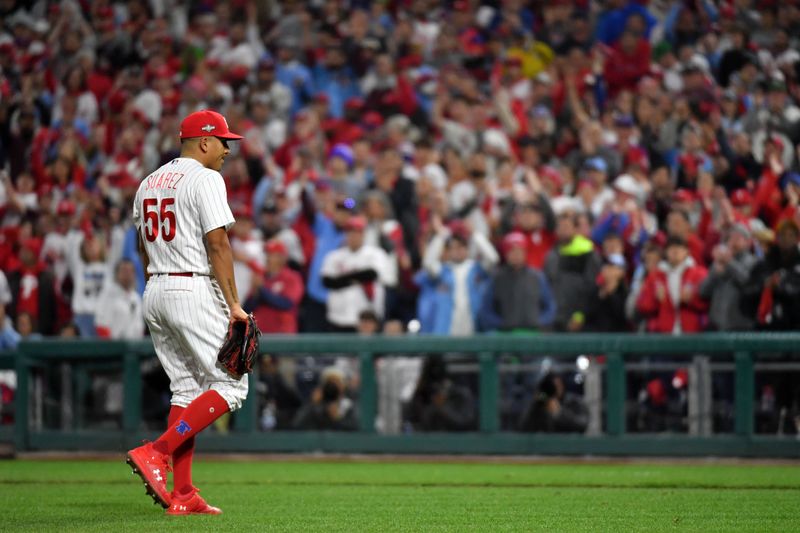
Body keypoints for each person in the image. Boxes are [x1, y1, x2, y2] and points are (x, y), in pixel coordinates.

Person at [126, 109, 249, 516]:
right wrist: (233, 304)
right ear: (204, 142)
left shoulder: (147, 183)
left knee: (186, 390)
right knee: (231, 386)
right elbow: (218, 244)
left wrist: (158, 288)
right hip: (192, 284)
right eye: (223, 142)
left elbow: (143, 247)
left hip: (156, 287)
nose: (228, 150)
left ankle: (183, 494)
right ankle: (157, 451)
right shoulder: (206, 178)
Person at [320, 215, 395, 332]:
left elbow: (372, 274)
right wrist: (358, 277)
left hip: (368, 319)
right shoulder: (334, 256)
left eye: (357, 232)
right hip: (338, 318)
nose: (353, 236)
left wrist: (342, 279)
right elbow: (328, 282)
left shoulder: (375, 254)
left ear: (363, 234)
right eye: (350, 232)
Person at [478, 232, 556, 333]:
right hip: (505, 335)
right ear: (506, 253)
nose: (516, 255)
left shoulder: (537, 277)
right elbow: (486, 310)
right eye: (512, 251)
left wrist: (538, 322)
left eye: (520, 251)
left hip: (533, 334)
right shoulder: (496, 278)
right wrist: (502, 324)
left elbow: (550, 307)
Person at [243, 239, 304, 334]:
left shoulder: (292, 277)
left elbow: (286, 304)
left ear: (282, 258)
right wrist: (256, 292)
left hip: (282, 335)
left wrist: (261, 289)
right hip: (259, 334)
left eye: (272, 254)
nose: (267, 258)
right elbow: (247, 308)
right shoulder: (261, 276)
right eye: (267, 254)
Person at [518, 372, 589, 433]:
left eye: (557, 385)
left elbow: (582, 425)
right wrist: (536, 404)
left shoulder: (573, 401)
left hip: (568, 445)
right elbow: (523, 427)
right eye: (551, 386)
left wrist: (559, 413)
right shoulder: (540, 403)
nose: (555, 389)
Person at [95, 259, 144, 339]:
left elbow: (139, 326)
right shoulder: (107, 295)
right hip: (114, 347)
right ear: (117, 274)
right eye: (124, 270)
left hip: (134, 347)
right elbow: (101, 325)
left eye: (130, 271)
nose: (127, 274)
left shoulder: (136, 298)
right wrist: (111, 348)